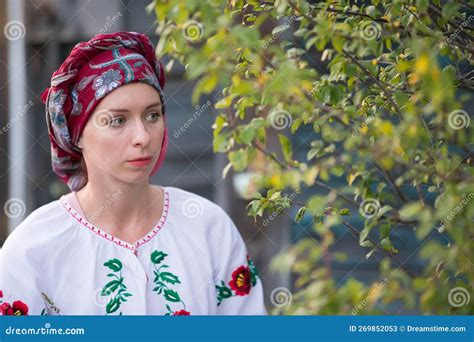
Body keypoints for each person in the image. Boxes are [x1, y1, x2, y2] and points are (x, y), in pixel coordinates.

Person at [0, 32, 266, 315]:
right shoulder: (34, 248)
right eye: (118, 120)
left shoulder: (208, 228)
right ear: (75, 134)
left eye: (152, 115)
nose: (142, 136)